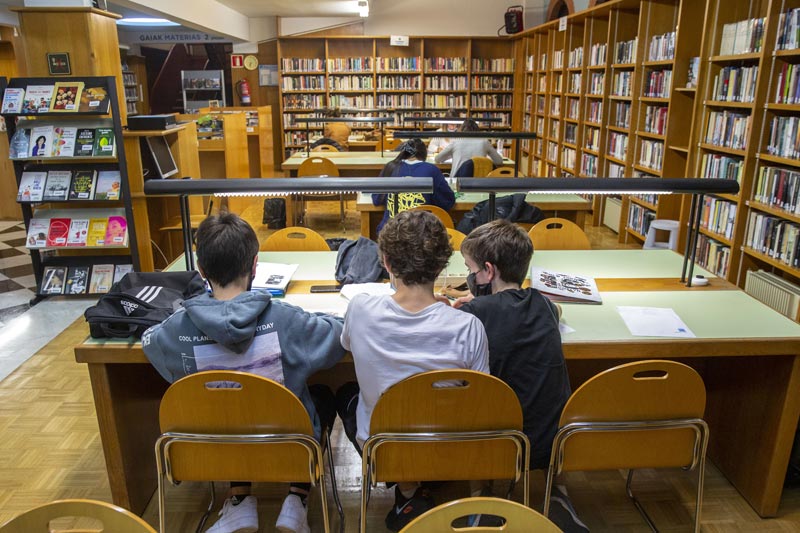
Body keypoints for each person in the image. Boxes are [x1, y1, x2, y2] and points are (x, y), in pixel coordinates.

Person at [141, 212, 346, 533]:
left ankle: (239, 501)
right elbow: (338, 338)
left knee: (228, 405)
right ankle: (296, 498)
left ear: (201, 270)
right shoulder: (285, 319)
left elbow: (149, 341)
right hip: (286, 446)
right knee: (319, 395)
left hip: (210, 448)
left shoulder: (177, 328)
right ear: (254, 265)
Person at [336, 210, 490, 532]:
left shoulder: (360, 309)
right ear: (442, 265)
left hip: (382, 444)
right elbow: (481, 398)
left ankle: (407, 490)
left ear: (387, 264)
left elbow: (347, 346)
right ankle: (416, 490)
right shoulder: (468, 326)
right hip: (445, 445)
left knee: (346, 393)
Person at [450, 219, 588, 533]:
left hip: (498, 441)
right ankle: (557, 494)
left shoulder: (473, 315)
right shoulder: (545, 305)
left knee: (470, 399)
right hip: (550, 440)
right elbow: (555, 313)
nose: (469, 276)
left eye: (470, 269)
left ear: (488, 270)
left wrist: (476, 304)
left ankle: (481, 495)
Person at [372, 138, 455, 233]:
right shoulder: (432, 170)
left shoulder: (390, 167)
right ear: (424, 154)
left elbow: (377, 200)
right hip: (421, 234)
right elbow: (448, 202)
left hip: (390, 233)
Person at [434, 118, 503, 176]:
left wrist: (452, 155)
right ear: (477, 130)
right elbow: (499, 161)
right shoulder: (484, 142)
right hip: (479, 182)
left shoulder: (456, 142)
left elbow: (438, 159)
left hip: (458, 182)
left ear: (462, 130)